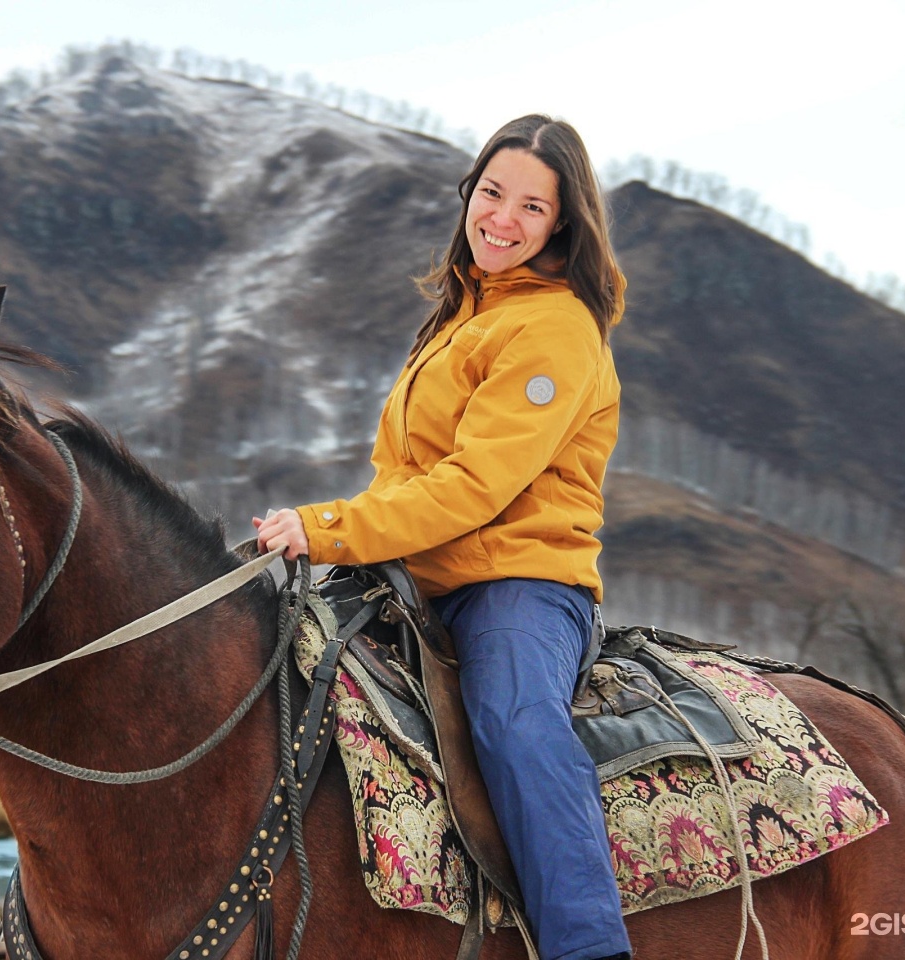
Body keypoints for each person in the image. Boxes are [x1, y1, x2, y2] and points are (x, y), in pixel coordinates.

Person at [253, 114, 631, 960]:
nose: (503, 218)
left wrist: (327, 528)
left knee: (514, 724)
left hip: (518, 584)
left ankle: (590, 947)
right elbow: (408, 480)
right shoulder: (464, 316)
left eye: (532, 207)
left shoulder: (554, 329)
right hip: (415, 577)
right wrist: (344, 536)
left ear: (562, 224)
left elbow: (471, 490)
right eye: (492, 194)